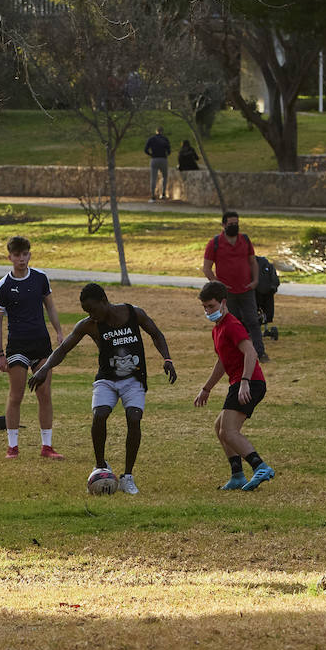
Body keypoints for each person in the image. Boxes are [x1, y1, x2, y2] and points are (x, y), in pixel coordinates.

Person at [27, 283, 176, 494]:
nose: (92, 315)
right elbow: (63, 348)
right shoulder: (89, 325)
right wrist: (44, 369)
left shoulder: (133, 313)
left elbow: (156, 334)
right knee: (100, 414)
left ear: (104, 301)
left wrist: (167, 358)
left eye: (93, 309)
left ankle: (127, 476)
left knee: (134, 418)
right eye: (87, 312)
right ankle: (100, 466)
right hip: (107, 379)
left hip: (133, 379)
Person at [195, 281, 276, 491]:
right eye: (204, 307)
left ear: (223, 302)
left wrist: (245, 382)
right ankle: (237, 475)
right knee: (219, 428)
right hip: (239, 383)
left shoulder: (232, 325)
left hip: (251, 382)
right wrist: (206, 388)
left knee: (229, 431)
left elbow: (251, 353)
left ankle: (261, 467)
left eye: (211, 306)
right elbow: (222, 362)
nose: (207, 311)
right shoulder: (218, 329)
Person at [0, 235, 64, 460]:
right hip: (17, 347)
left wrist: (59, 332)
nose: (21, 259)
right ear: (9, 257)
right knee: (16, 395)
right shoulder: (3, 286)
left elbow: (50, 307)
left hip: (41, 344)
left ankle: (47, 446)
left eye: (25, 254)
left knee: (44, 393)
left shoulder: (41, 279)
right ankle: (12, 447)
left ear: (29, 255)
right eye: (17, 255)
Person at [201, 210, 268, 361]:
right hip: (227, 294)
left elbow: (253, 262)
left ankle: (259, 353)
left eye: (236, 224)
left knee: (253, 321)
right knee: (232, 324)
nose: (234, 226)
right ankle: (237, 355)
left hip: (246, 290)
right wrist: (218, 285)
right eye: (231, 224)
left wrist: (255, 281)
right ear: (223, 225)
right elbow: (206, 268)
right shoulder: (215, 243)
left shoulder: (244, 240)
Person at [144, 126, 172, 201]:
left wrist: (151, 154)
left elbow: (145, 149)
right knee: (164, 177)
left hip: (154, 159)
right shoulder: (165, 139)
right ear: (162, 131)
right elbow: (169, 150)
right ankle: (163, 194)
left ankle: (153, 195)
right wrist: (166, 154)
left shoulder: (151, 139)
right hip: (163, 159)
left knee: (153, 178)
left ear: (156, 131)